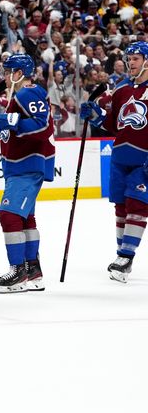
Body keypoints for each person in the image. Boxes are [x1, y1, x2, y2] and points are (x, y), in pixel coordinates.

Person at [0, 54, 54, 293]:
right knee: (25, 218)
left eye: (7, 71)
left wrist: (10, 120)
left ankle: (18, 271)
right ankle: (33, 270)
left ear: (19, 73)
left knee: (8, 215)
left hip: (27, 165)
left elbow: (43, 125)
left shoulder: (28, 92)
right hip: (18, 165)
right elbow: (13, 128)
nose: (4, 76)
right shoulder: (16, 96)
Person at [81, 42, 148, 282]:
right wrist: (95, 115)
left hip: (144, 158)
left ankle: (125, 255)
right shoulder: (121, 90)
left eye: (136, 59)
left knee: (137, 203)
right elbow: (112, 124)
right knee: (121, 206)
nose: (131, 63)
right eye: (129, 59)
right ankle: (123, 257)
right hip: (120, 156)